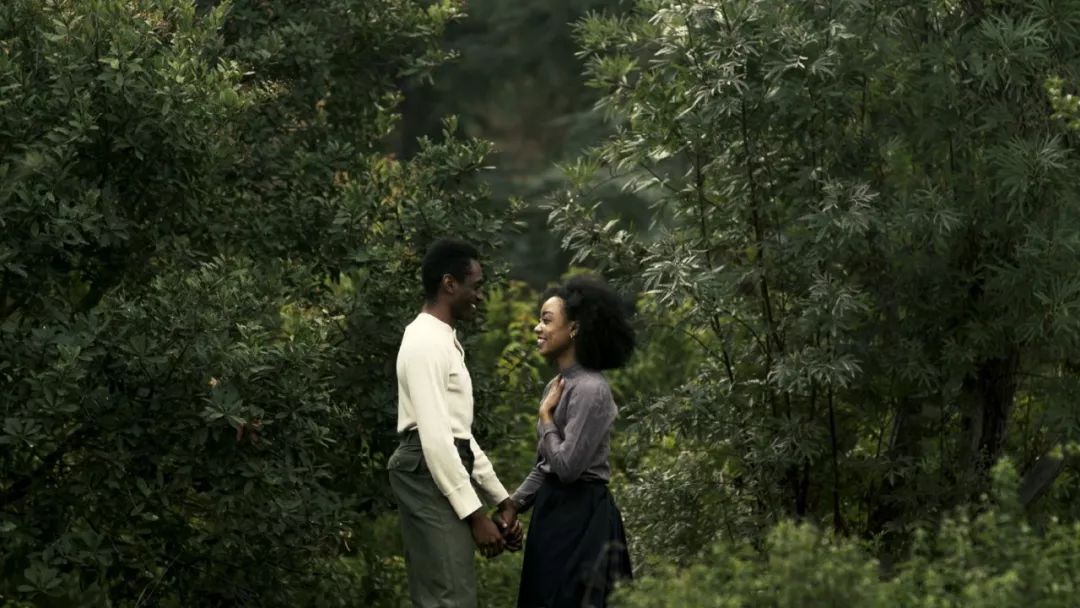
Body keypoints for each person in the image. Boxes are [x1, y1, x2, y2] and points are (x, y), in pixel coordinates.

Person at [387, 239, 520, 608]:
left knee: (455, 592)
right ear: (449, 284)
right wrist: (476, 517)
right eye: (475, 286)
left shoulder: (443, 339)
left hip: (441, 466)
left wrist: (501, 499)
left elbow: (459, 435)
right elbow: (434, 439)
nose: (480, 296)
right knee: (448, 597)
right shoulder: (425, 341)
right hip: (427, 468)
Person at [500, 276, 636, 608]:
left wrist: (546, 417)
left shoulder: (591, 388)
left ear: (573, 328)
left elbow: (568, 467)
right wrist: (513, 505)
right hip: (552, 513)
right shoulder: (556, 386)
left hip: (582, 519)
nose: (537, 328)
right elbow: (545, 466)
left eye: (546, 320)